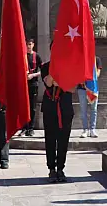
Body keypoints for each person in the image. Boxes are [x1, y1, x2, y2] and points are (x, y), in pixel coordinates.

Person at [41, 44, 74, 183]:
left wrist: (59, 80)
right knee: (50, 139)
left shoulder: (70, 67)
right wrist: (60, 78)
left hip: (65, 108)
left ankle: (61, 168)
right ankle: (52, 169)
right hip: (50, 108)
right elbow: (49, 82)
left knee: (63, 141)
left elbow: (71, 88)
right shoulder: (45, 66)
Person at [21, 39, 42, 137]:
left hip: (33, 83)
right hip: (23, 84)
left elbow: (42, 71)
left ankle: (31, 128)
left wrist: (33, 75)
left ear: (33, 45)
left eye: (30, 44)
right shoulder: (23, 56)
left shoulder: (36, 56)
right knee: (24, 106)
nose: (28, 46)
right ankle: (24, 127)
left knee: (32, 107)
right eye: (27, 44)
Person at [78, 56, 102, 138]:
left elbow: (98, 74)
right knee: (83, 109)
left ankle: (92, 129)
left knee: (93, 109)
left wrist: (92, 71)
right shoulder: (81, 59)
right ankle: (85, 129)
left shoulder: (96, 59)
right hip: (82, 88)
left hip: (93, 88)